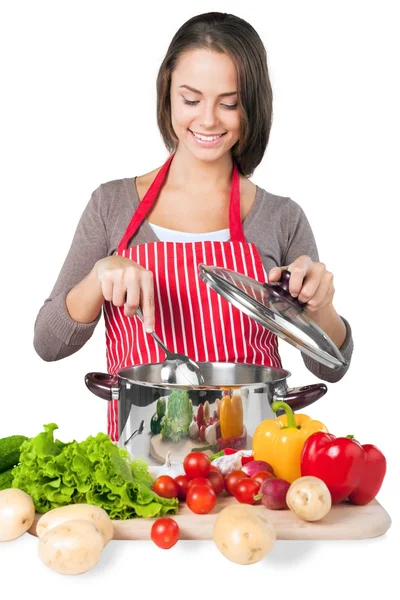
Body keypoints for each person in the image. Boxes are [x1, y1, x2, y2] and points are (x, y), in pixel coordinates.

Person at [34, 12, 353, 441]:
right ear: (167, 93)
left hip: (253, 472)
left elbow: (329, 366)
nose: (207, 120)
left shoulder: (281, 217)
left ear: (253, 106)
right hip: (145, 466)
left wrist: (321, 307)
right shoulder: (111, 205)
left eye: (229, 102)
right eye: (190, 99)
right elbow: (49, 344)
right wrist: (99, 274)